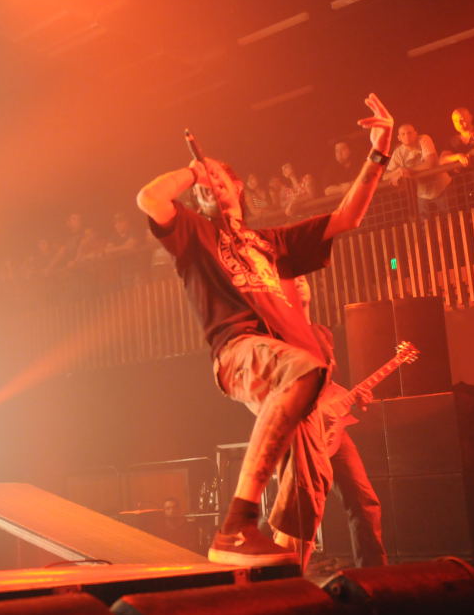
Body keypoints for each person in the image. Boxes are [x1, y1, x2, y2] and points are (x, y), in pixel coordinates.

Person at [135, 93, 394, 568]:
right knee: (300, 370)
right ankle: (236, 523)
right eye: (202, 185)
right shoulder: (195, 234)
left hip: (300, 373)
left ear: (237, 188)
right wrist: (195, 171)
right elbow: (150, 198)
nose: (209, 187)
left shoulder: (272, 243)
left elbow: (347, 217)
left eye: (219, 179)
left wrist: (378, 154)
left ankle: (281, 581)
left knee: (310, 487)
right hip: (242, 352)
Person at [292, 277, 386, 569]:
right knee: (300, 509)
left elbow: (328, 383)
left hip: (334, 430)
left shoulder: (322, 334)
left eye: (303, 278)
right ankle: (283, 575)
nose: (300, 282)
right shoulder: (281, 333)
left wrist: (352, 397)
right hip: (302, 430)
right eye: (293, 279)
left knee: (364, 501)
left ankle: (374, 574)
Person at [384, 124, 445, 217]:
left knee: (452, 218)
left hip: (442, 188)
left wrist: (407, 170)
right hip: (422, 195)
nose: (407, 136)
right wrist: (399, 171)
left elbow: (430, 163)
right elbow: (385, 176)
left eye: (409, 133)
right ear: (399, 138)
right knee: (425, 224)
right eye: (403, 134)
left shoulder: (424, 139)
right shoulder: (398, 152)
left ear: (416, 134)